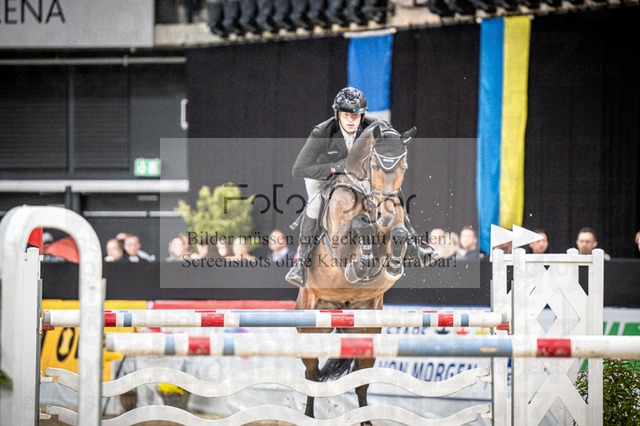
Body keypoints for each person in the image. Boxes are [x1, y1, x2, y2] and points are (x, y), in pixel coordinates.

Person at [286, 87, 377, 286]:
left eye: (356, 115)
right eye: (346, 115)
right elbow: (299, 169)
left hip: (358, 178)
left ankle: (411, 243)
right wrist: (337, 167)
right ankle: (302, 263)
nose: (351, 120)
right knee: (315, 205)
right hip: (323, 176)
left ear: (362, 115)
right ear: (338, 115)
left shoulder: (372, 127)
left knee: (385, 195)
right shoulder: (322, 132)